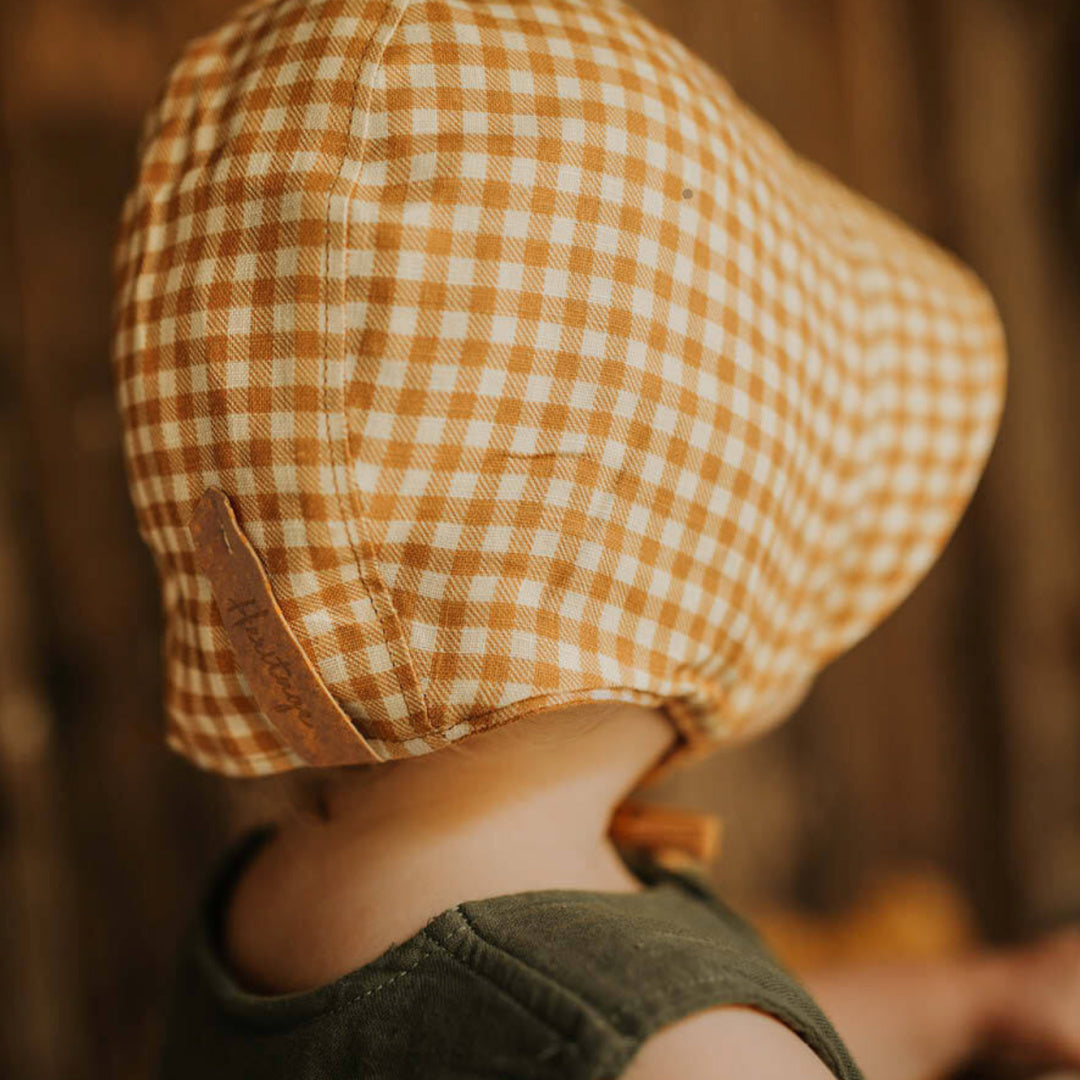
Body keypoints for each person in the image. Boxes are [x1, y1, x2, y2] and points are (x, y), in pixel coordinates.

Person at [109, 0, 1080, 1076]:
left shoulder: (283, 900)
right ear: (699, 559)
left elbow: (665, 1023)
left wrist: (971, 1001)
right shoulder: (670, 1046)